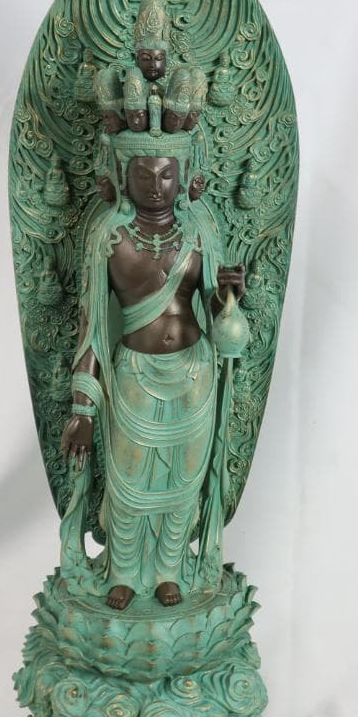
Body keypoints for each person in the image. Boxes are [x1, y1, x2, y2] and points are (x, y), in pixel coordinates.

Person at [60, 128, 245, 610]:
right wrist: (82, 409)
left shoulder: (199, 232)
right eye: (143, 175)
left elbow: (212, 307)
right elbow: (91, 325)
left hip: (194, 371)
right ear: (124, 177)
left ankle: (169, 567)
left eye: (166, 175)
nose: (156, 186)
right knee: (129, 477)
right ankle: (123, 568)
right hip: (134, 373)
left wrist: (229, 297)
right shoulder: (109, 237)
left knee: (183, 478)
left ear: (182, 178)